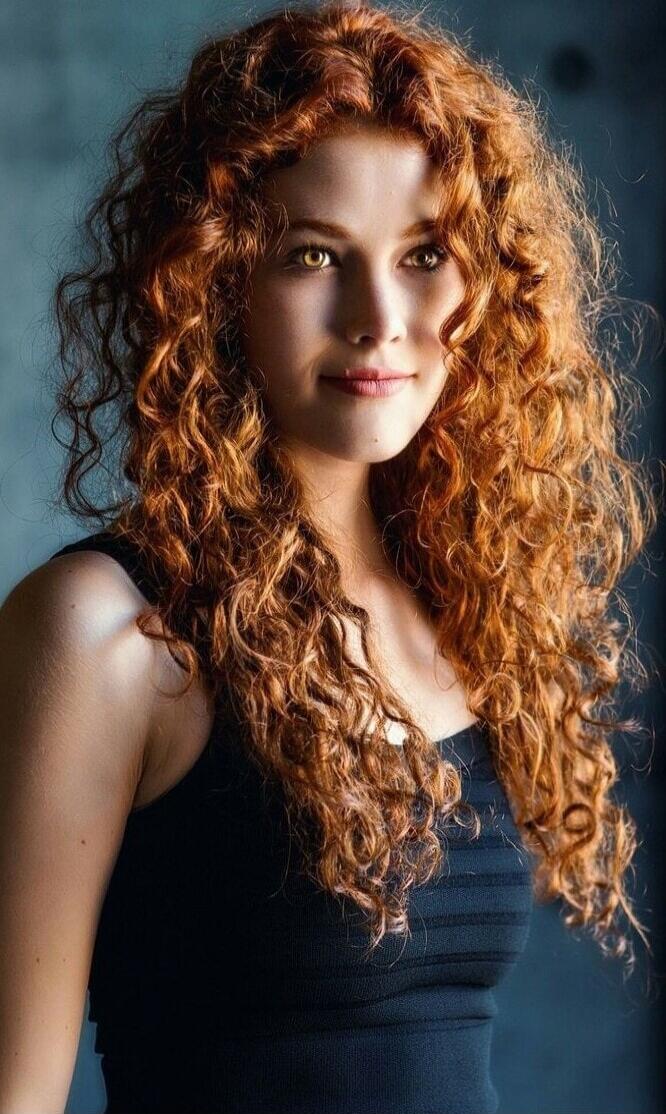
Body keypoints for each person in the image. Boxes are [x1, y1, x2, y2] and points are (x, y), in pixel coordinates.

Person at [0, 2, 659, 1112]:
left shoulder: (464, 606)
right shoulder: (107, 630)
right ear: (215, 281)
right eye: (314, 256)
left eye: (425, 255)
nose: (379, 318)